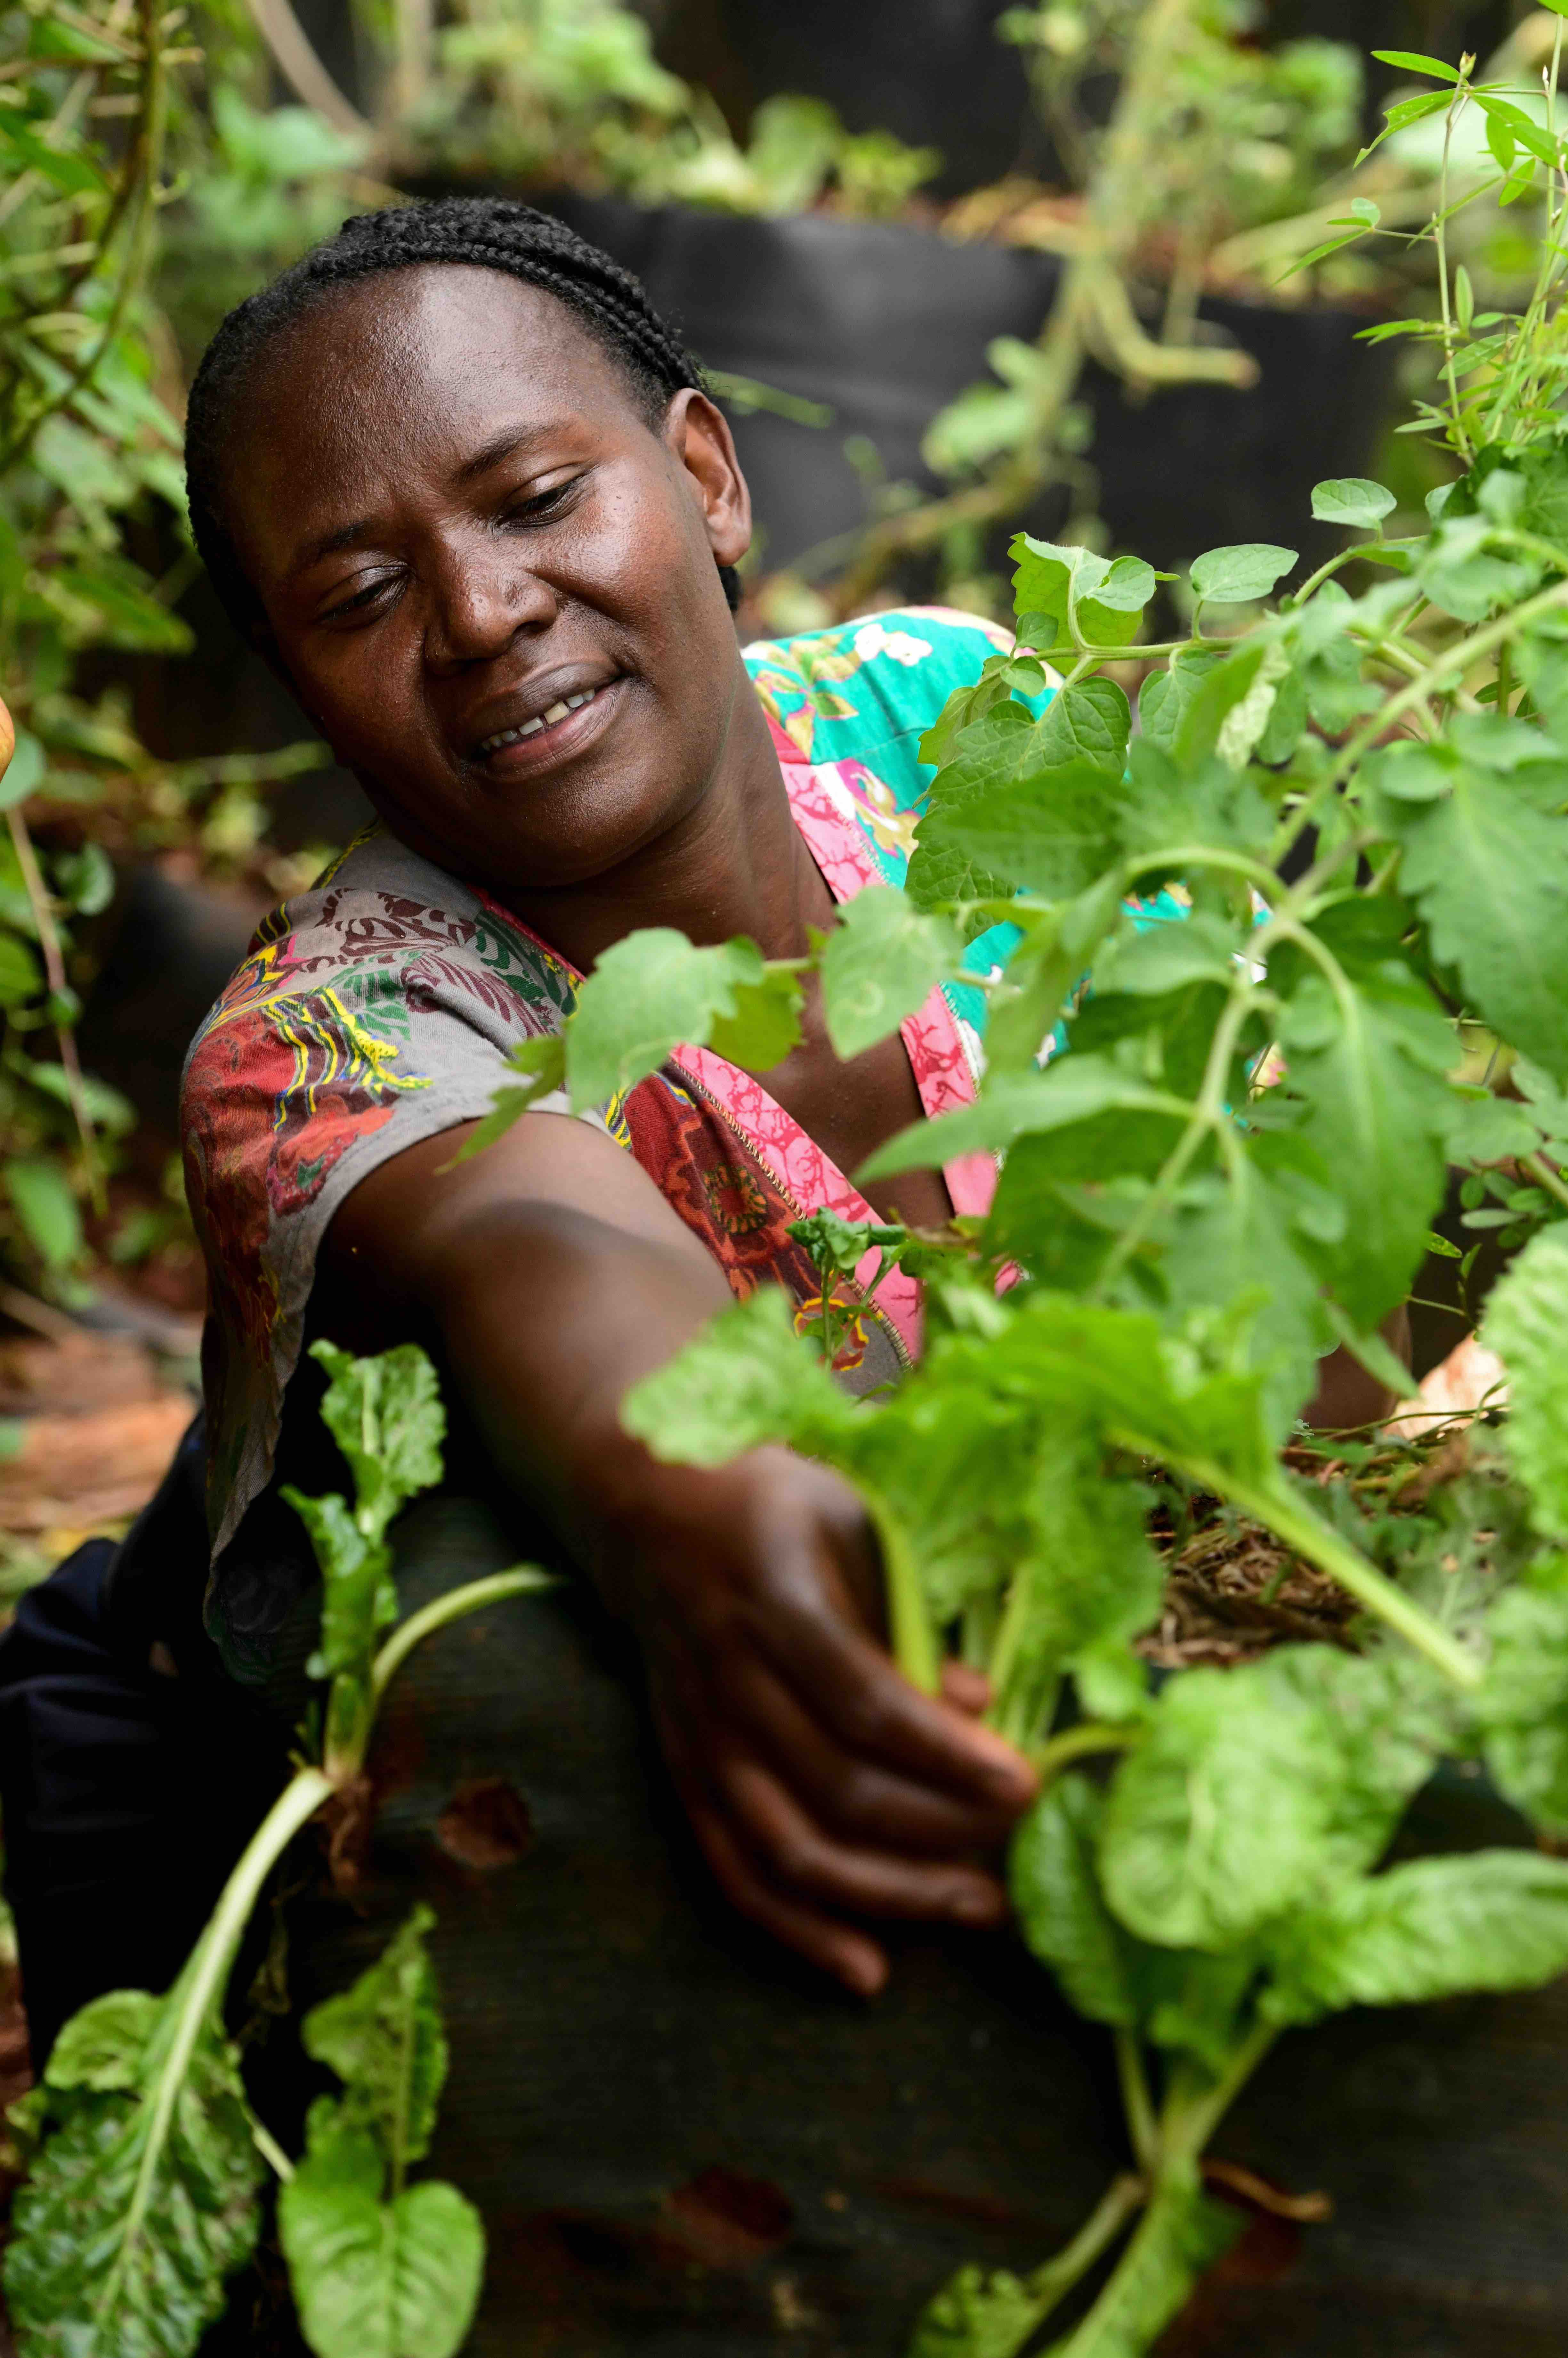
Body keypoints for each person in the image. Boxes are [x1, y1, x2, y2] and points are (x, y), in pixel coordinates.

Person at [0, 198, 1394, 2050]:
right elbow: (548, 1255)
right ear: (298, 682)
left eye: (534, 499)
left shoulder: (958, 721)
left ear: (709, 477)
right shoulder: (328, 1030)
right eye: (357, 595)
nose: (483, 613)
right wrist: (711, 1512)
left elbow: (1275, 1184)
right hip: (284, 1842)